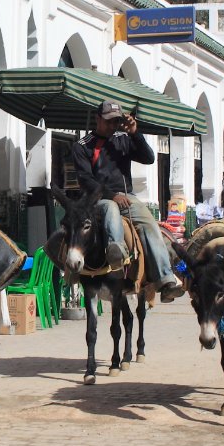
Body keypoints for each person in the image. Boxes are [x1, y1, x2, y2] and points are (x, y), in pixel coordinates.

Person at [71, 100, 185, 302]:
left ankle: (165, 280)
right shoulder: (82, 145)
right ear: (98, 119)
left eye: (116, 121)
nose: (112, 125)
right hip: (96, 200)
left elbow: (149, 158)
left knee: (150, 223)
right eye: (108, 121)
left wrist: (135, 133)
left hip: (128, 198)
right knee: (110, 209)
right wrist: (111, 195)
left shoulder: (123, 139)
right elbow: (85, 179)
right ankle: (114, 252)